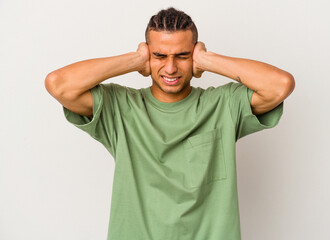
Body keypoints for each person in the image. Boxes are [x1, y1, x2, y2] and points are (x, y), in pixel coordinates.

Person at [45, 7, 295, 240]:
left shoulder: (223, 105)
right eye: (160, 56)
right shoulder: (119, 107)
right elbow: (58, 84)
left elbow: (280, 85)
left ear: (194, 55)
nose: (171, 67)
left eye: (182, 56)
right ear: (148, 55)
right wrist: (134, 59)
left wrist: (208, 60)